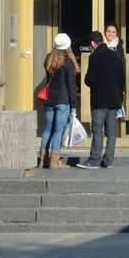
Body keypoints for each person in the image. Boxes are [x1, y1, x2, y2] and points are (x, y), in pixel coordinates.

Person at [77, 26, 125, 169]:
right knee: (111, 132)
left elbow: (90, 79)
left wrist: (85, 79)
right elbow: (122, 79)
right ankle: (108, 160)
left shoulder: (94, 56)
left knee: (97, 130)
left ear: (92, 43)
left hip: (100, 100)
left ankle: (94, 159)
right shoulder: (116, 56)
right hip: (114, 100)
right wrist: (120, 97)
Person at [37, 33, 79, 169]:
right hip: (63, 100)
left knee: (47, 129)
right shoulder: (68, 63)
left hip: (49, 99)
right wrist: (74, 106)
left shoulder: (48, 60)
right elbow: (71, 86)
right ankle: (54, 161)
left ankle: (43, 160)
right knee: (58, 130)